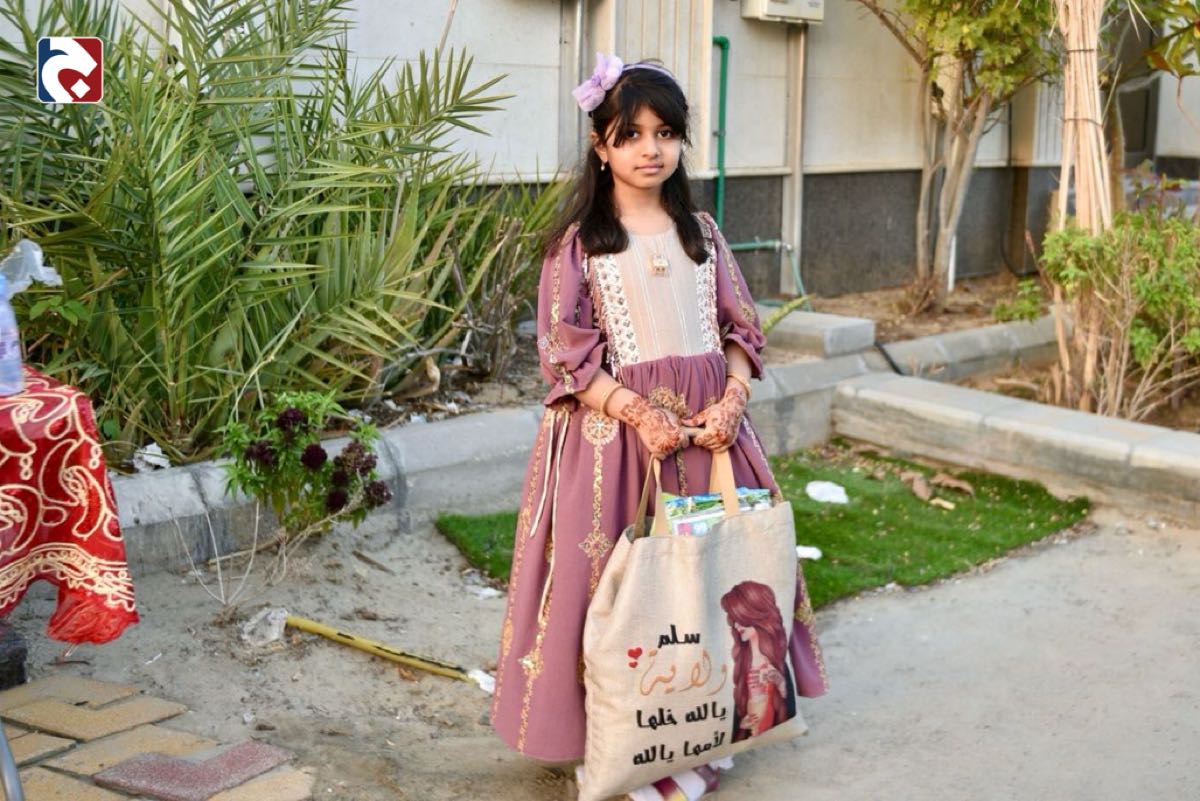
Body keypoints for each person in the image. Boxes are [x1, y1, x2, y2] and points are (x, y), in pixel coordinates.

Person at [490, 52, 828, 800]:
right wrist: (638, 411)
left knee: (708, 574)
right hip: (615, 449)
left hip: (709, 438)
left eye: (666, 133)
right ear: (600, 146)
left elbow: (741, 329)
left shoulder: (700, 232)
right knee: (616, 589)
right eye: (631, 134)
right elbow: (565, 355)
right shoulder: (581, 244)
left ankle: (696, 726)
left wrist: (733, 398)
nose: (651, 149)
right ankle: (616, 742)